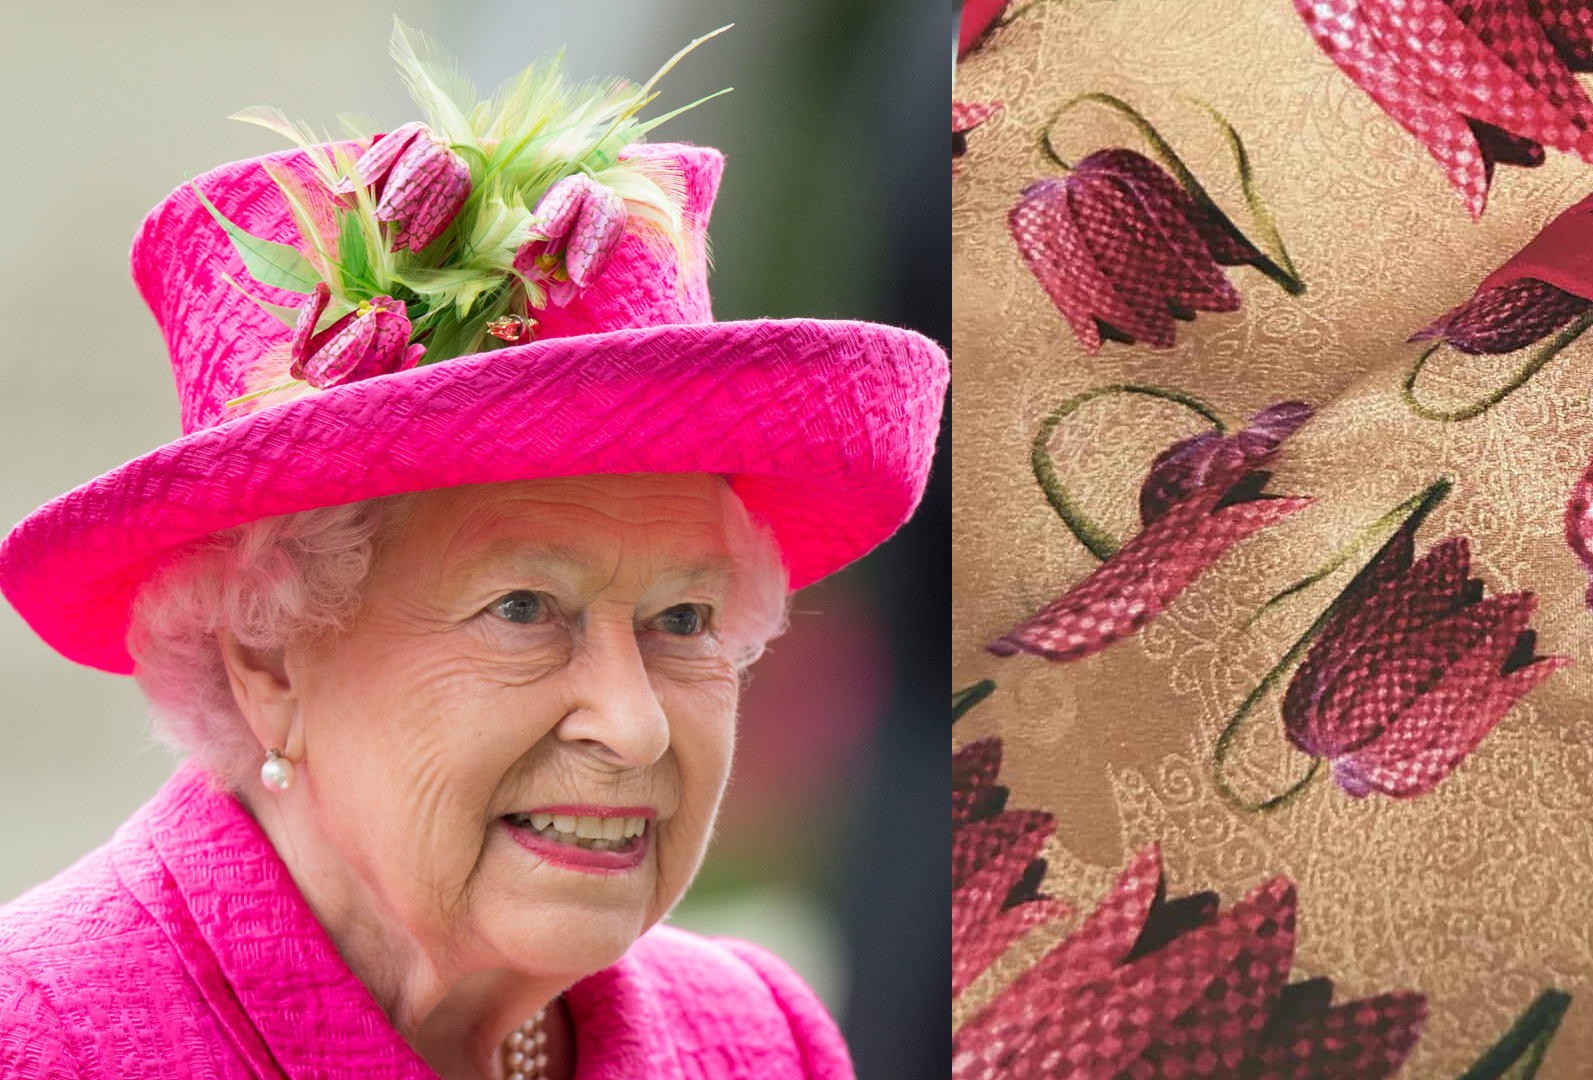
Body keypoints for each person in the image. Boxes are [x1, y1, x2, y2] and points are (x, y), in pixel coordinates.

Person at [0, 23, 944, 1080]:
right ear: (266, 658)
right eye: (526, 610)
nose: (633, 728)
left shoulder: (757, 1040)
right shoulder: (43, 1041)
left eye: (684, 621)